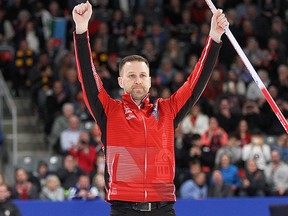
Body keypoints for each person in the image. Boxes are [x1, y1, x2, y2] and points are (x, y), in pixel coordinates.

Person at [72, 1, 228, 215]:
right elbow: (88, 78)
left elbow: (195, 83)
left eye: (142, 75)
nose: (138, 80)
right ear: (120, 81)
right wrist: (81, 31)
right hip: (123, 209)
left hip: (163, 208)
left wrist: (214, 37)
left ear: (150, 80)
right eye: (131, 75)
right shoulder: (109, 111)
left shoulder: (167, 111)